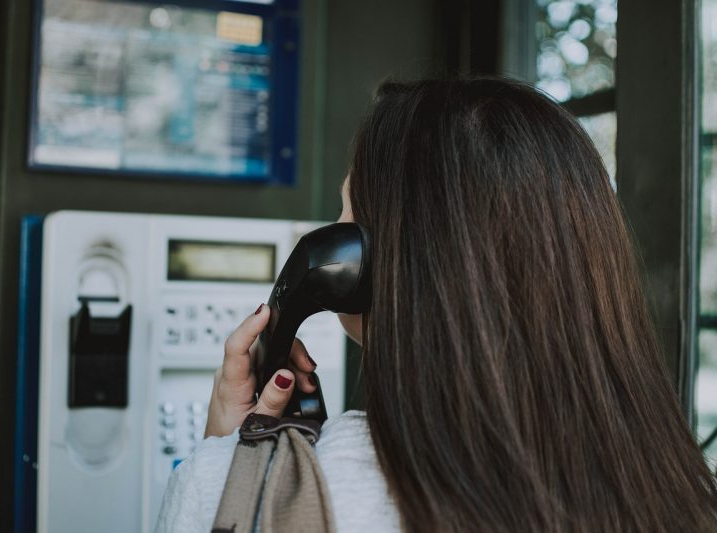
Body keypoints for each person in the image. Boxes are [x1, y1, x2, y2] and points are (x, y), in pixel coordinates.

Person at [155, 78, 717, 532]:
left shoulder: (246, 490)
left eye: (345, 213)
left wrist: (233, 457)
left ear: (360, 263)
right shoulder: (676, 486)